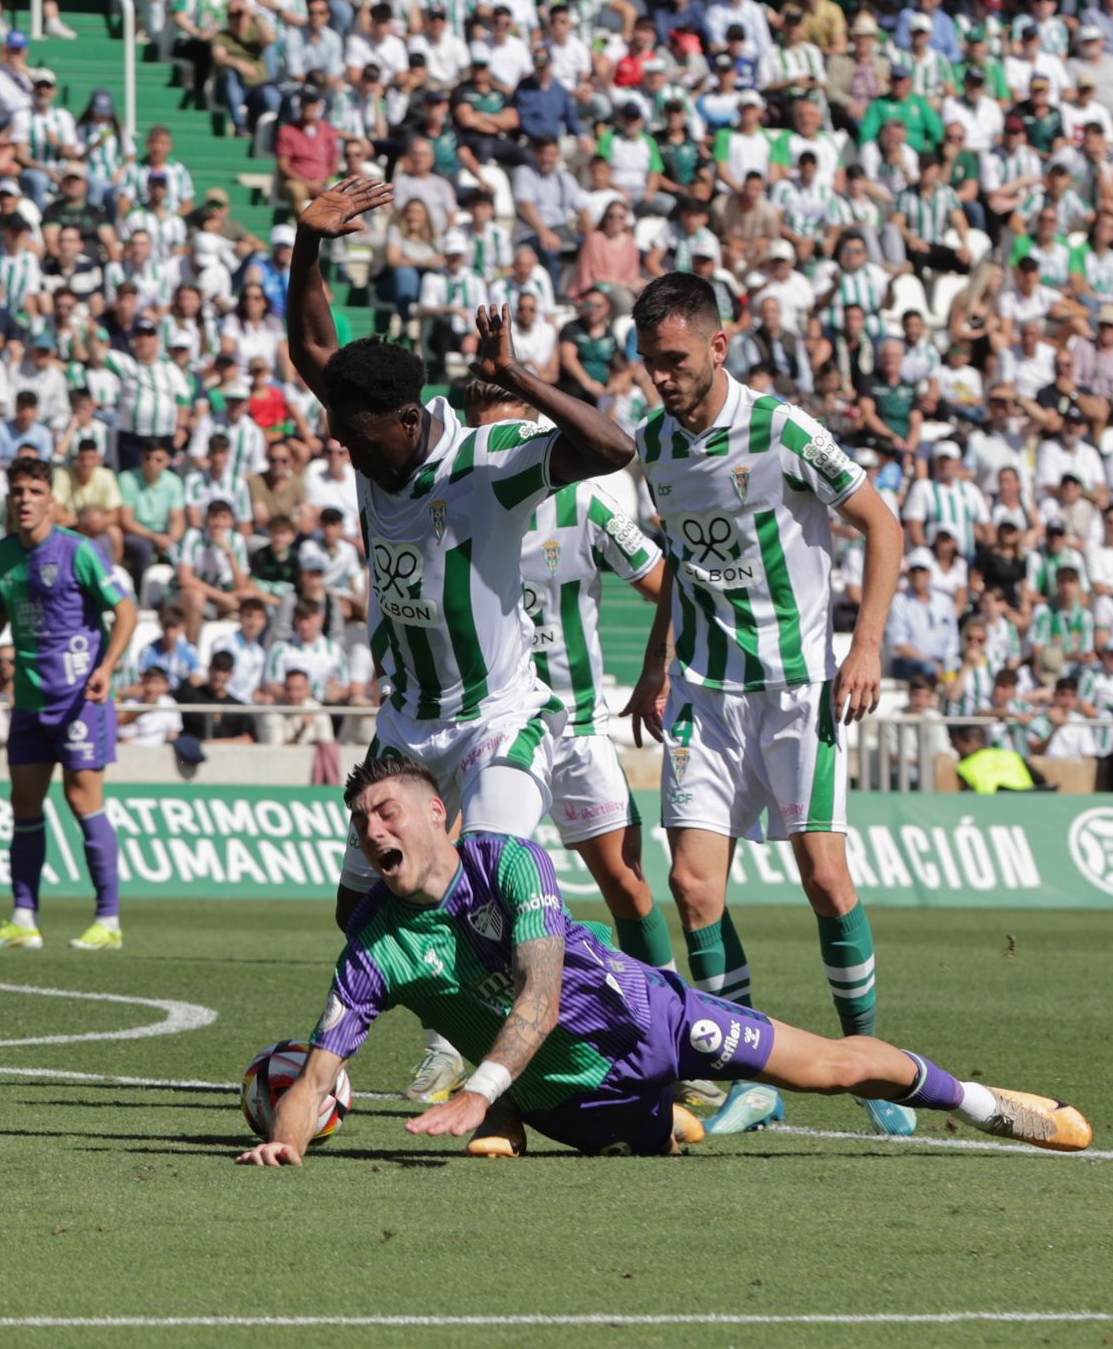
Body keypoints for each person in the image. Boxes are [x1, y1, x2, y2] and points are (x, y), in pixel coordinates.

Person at [239, 758, 1092, 1165]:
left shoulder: (508, 861)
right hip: (572, 1099)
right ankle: (656, 1120)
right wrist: (287, 1143)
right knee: (652, 1147)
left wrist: (476, 1093)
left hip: (659, 1017)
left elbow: (539, 991)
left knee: (831, 1069)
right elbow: (319, 1073)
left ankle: (988, 1104)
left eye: (385, 811)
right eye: (361, 823)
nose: (373, 831)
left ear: (437, 812)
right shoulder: (375, 945)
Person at [287, 178, 638, 1104]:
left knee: (481, 894)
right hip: (406, 725)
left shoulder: (484, 464)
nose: (344, 452)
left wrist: (520, 378)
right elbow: (314, 346)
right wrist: (306, 245)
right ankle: (460, 1033)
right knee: (355, 909)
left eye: (356, 440)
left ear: (407, 421)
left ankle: (551, 1060)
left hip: (495, 718)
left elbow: (611, 451)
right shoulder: (368, 419)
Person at [621, 273, 912, 1138]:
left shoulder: (781, 428)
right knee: (691, 884)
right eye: (649, 363)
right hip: (705, 695)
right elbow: (679, 562)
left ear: (718, 346)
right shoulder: (654, 445)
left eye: (673, 360)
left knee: (824, 878)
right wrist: (655, 661)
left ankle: (873, 1066)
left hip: (794, 689)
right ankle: (750, 1070)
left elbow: (883, 523)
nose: (660, 377)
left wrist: (865, 644)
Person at [471, 378, 677, 984]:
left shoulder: (583, 505)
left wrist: (655, 667)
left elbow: (668, 584)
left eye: (511, 436)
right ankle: (448, 1046)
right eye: (484, 438)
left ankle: (666, 1024)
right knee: (470, 891)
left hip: (578, 726)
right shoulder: (454, 507)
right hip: (493, 727)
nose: (498, 449)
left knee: (627, 883)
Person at [0, 458, 139, 953]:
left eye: (36, 490)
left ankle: (108, 920)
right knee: (25, 806)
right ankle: (23, 918)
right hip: (30, 701)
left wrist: (106, 668)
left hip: (81, 699)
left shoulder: (80, 551)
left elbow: (125, 610)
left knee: (82, 802)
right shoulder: (2, 555)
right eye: (18, 491)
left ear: (53, 500)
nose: (26, 499)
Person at [951, 723, 1036, 793]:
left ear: (972, 742)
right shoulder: (1012, 755)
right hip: (1027, 799)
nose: (956, 748)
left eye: (958, 743)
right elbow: (1040, 780)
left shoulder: (964, 766)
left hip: (992, 805)